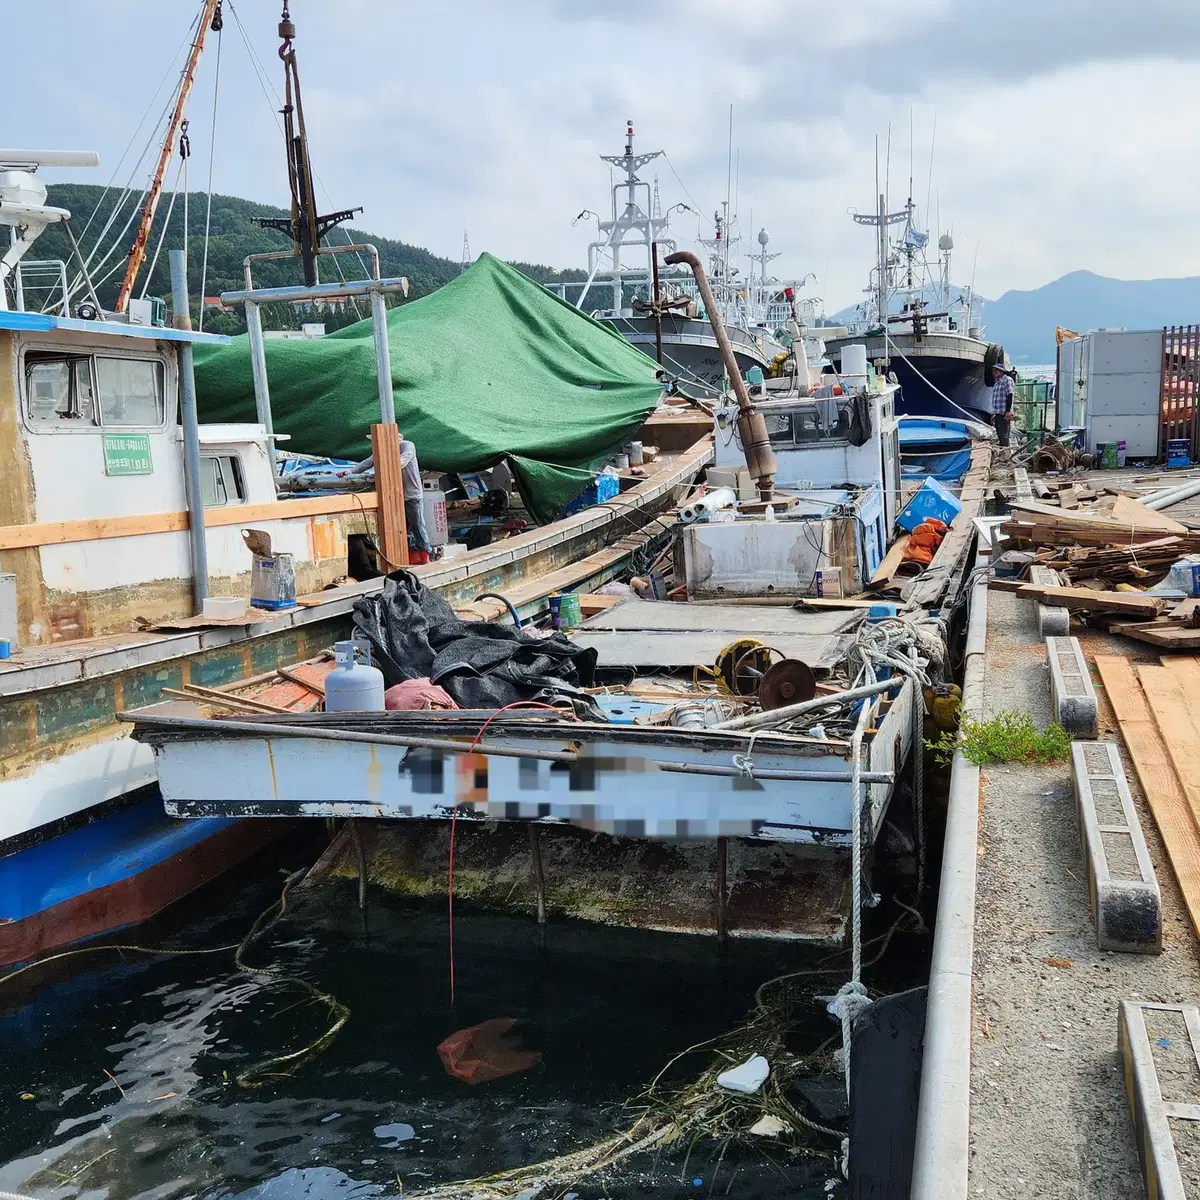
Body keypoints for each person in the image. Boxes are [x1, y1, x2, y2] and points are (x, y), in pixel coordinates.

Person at [399, 438, 432, 564]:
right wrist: (350, 471)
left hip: (413, 495)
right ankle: (413, 556)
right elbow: (369, 462)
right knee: (404, 528)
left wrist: (383, 463)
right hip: (399, 496)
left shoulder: (407, 446)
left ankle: (425, 555)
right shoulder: (385, 451)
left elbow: (402, 461)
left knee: (417, 526)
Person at [989, 363, 1015, 448]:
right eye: (993, 370)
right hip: (998, 412)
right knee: (999, 432)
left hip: (1004, 412)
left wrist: (1008, 411)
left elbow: (1010, 395)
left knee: (1004, 434)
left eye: (995, 370)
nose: (993, 372)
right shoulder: (997, 383)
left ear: (1001, 371)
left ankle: (1005, 452)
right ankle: (1002, 450)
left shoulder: (1007, 380)